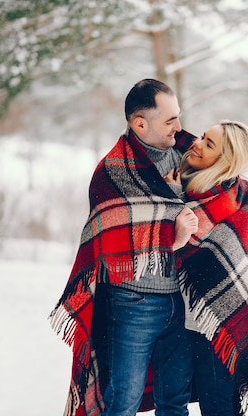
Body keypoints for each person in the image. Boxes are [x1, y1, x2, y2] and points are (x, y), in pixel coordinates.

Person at [50, 79, 199, 416]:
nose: (179, 126)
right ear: (140, 123)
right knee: (121, 403)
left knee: (175, 403)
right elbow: (111, 243)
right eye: (169, 120)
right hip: (133, 304)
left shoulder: (190, 157)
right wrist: (170, 240)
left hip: (182, 302)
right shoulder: (112, 172)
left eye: (178, 116)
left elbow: (218, 194)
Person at [165, 121, 248, 416]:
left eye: (209, 144)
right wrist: (172, 194)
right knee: (168, 405)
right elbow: (162, 236)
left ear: (226, 161)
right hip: (173, 321)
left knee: (219, 407)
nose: (197, 144)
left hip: (219, 326)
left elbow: (237, 263)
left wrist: (176, 201)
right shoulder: (179, 181)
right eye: (203, 137)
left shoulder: (243, 197)